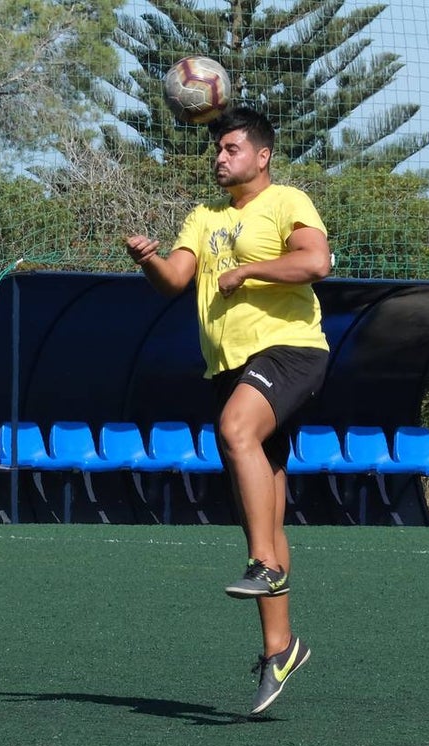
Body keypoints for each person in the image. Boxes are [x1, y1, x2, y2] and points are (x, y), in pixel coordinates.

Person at [125, 106, 331, 715]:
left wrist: (250, 270)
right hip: (229, 367)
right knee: (259, 505)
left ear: (262, 156)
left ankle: (265, 565)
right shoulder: (204, 215)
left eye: (233, 148)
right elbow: (175, 281)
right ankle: (280, 647)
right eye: (217, 150)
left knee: (236, 429)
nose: (220, 157)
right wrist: (147, 259)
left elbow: (315, 263)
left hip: (290, 351)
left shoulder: (288, 200)